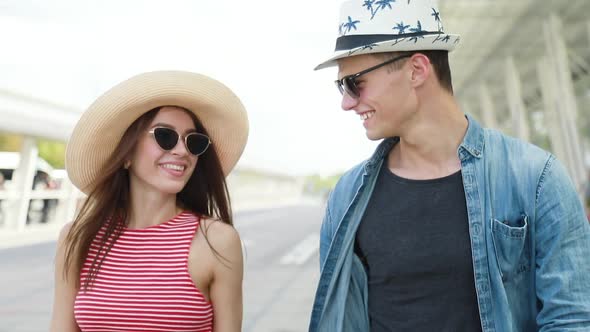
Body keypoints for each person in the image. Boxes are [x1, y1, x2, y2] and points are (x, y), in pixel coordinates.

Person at [309, 1, 590, 331]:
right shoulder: (346, 198)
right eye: (341, 86)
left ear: (417, 69)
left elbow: (572, 318)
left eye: (355, 82)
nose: (347, 102)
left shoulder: (535, 178)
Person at [50, 71, 249, 332]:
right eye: (165, 136)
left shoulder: (217, 241)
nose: (181, 150)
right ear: (126, 154)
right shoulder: (77, 238)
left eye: (194, 142)